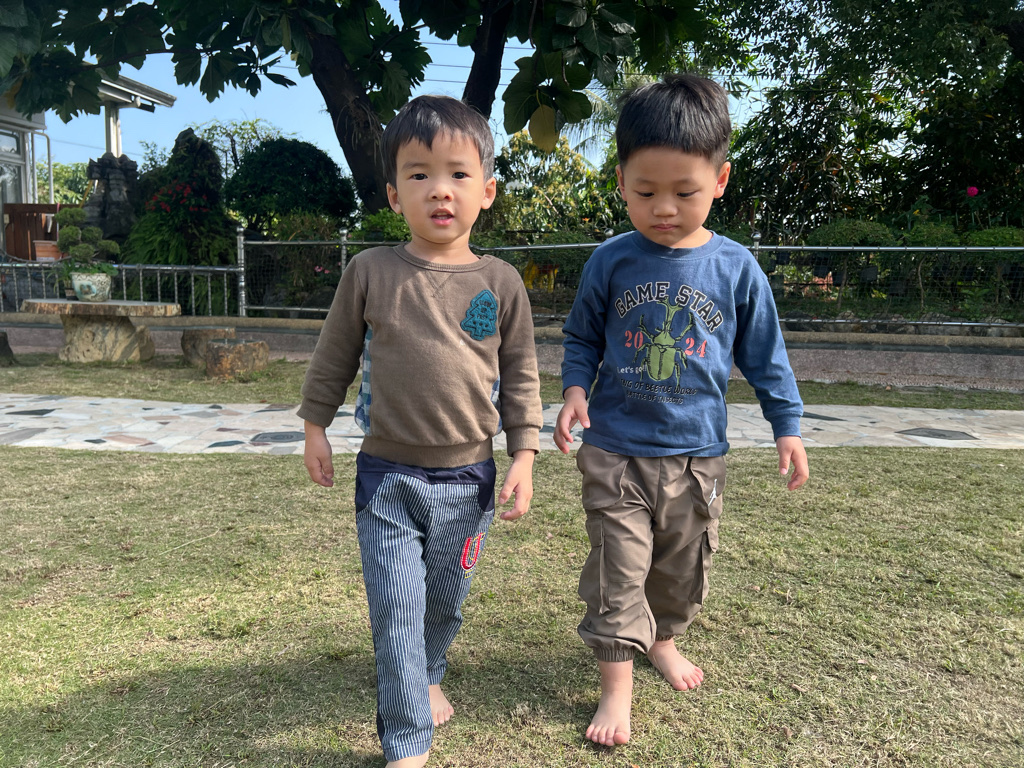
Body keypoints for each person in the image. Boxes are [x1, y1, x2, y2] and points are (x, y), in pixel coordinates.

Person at [553, 73, 809, 748]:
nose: (663, 208)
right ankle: (616, 686)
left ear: (719, 180)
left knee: (680, 569)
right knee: (618, 568)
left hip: (697, 458)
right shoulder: (611, 261)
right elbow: (582, 337)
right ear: (621, 182)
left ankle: (662, 639)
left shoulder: (736, 268)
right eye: (645, 192)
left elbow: (766, 356)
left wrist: (787, 427)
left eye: (684, 192)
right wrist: (575, 389)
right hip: (615, 450)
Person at [300, 95, 543, 768]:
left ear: (486, 191)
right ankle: (407, 742)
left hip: (470, 481)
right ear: (393, 194)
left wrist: (523, 454)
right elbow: (333, 355)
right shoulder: (370, 272)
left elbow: (522, 374)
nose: (440, 189)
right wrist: (315, 425)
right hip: (387, 478)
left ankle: (429, 672)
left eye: (459, 174)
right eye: (419, 174)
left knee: (442, 606)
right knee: (397, 609)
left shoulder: (501, 283)